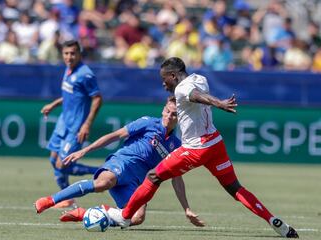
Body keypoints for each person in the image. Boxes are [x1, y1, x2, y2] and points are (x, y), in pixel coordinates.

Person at [107, 57, 299, 238]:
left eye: (164, 79)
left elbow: (196, 96)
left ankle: (125, 216)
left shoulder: (182, 90)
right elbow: (198, 93)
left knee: (153, 176)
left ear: (173, 76)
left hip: (196, 148)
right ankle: (273, 221)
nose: (163, 84)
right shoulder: (201, 78)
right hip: (215, 144)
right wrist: (216, 101)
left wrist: (219, 103)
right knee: (235, 188)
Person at [35, 97, 205, 228]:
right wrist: (84, 150)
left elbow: (177, 178)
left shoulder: (176, 145)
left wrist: (186, 209)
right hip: (121, 163)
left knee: (137, 217)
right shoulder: (148, 122)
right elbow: (115, 136)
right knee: (103, 183)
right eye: (167, 111)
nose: (169, 115)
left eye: (174, 114)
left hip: (136, 182)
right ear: (163, 110)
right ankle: (50, 200)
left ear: (180, 117)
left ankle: (84, 214)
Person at [40, 40, 102, 208]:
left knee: (63, 165)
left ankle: (98, 171)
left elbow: (97, 98)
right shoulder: (68, 69)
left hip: (76, 127)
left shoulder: (85, 74)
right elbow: (71, 95)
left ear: (79, 54)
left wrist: (86, 124)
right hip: (63, 123)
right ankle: (67, 198)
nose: (69, 57)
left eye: (73, 53)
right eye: (66, 53)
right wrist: (53, 105)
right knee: (54, 160)